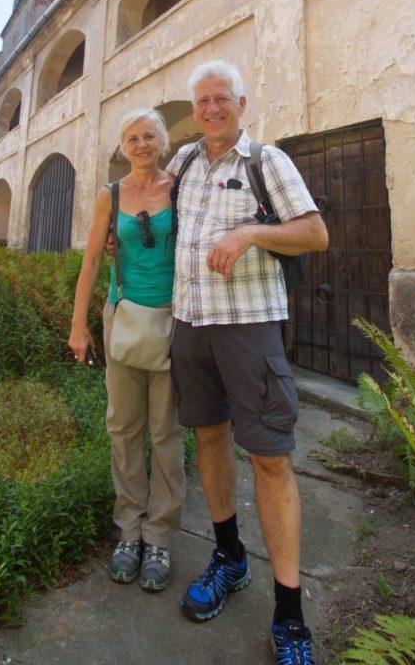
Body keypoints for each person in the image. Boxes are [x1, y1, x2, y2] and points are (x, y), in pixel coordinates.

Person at [167, 60, 328, 665]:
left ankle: (290, 614)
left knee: (269, 459)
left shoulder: (267, 162)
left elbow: (315, 233)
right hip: (191, 326)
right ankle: (230, 558)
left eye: (221, 99)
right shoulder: (183, 163)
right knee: (209, 439)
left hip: (250, 330)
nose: (211, 109)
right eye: (202, 101)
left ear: (241, 102)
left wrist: (251, 235)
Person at [68, 108, 185, 592]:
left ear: (163, 141)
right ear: (123, 146)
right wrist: (79, 325)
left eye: (150, 136)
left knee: (166, 431)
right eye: (133, 138)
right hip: (123, 319)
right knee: (123, 426)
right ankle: (129, 531)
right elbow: (92, 258)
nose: (141, 144)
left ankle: (159, 535)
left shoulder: (180, 188)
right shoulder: (110, 195)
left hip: (175, 322)